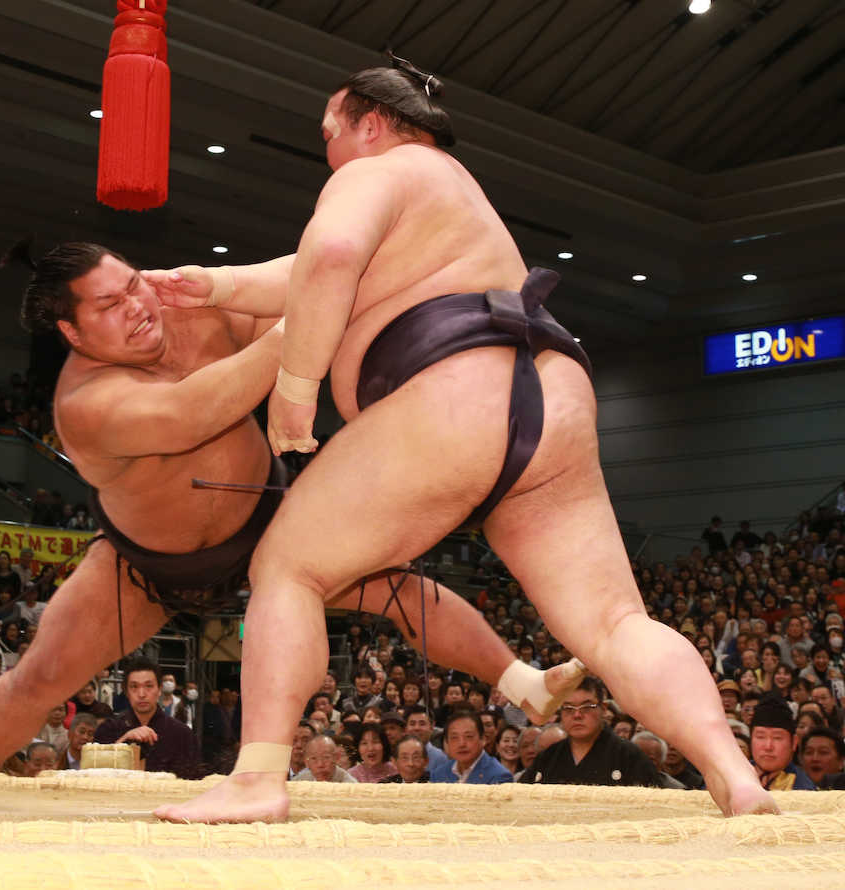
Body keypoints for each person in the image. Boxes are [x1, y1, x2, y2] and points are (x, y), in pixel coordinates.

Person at [144, 58, 772, 821]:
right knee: (614, 623)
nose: (328, 151)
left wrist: (296, 391)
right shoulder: (444, 191)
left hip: (453, 392)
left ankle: (256, 781)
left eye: (330, 132)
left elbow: (332, 255)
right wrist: (212, 285)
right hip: (548, 395)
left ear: (370, 122)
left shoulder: (380, 169)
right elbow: (311, 268)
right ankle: (733, 775)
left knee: (289, 566)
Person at [0, 240, 581, 812]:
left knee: (393, 587)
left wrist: (316, 293)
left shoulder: (196, 303)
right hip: (146, 565)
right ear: (74, 333)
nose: (138, 306)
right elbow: (192, 411)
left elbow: (302, 283)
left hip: (267, 524)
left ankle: (521, 680)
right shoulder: (84, 404)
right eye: (110, 307)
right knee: (42, 674)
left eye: (134, 285)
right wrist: (302, 325)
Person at [519, 679, 661, 788]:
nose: (577, 715)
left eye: (587, 707)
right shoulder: (548, 757)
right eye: (568, 708)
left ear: (603, 708)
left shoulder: (628, 756)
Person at [93, 657, 200, 777]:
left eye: (149, 686)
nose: (141, 694)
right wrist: (123, 742)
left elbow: (191, 783)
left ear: (159, 690)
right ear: (126, 692)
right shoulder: (108, 729)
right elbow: (95, 776)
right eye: (134, 687)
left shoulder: (182, 734)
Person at [749, 694, 815, 791]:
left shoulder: (803, 789)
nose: (768, 746)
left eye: (777, 738)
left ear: (794, 743)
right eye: (760, 737)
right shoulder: (734, 775)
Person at [429, 711, 512, 784]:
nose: (461, 744)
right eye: (454, 737)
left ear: (483, 739)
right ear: (446, 742)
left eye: (468, 736)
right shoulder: (438, 774)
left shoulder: (499, 776)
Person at [291, 734, 356, 783]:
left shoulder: (350, 785)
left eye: (326, 757)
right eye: (314, 758)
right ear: (306, 762)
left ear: (336, 758)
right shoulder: (299, 782)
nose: (320, 764)